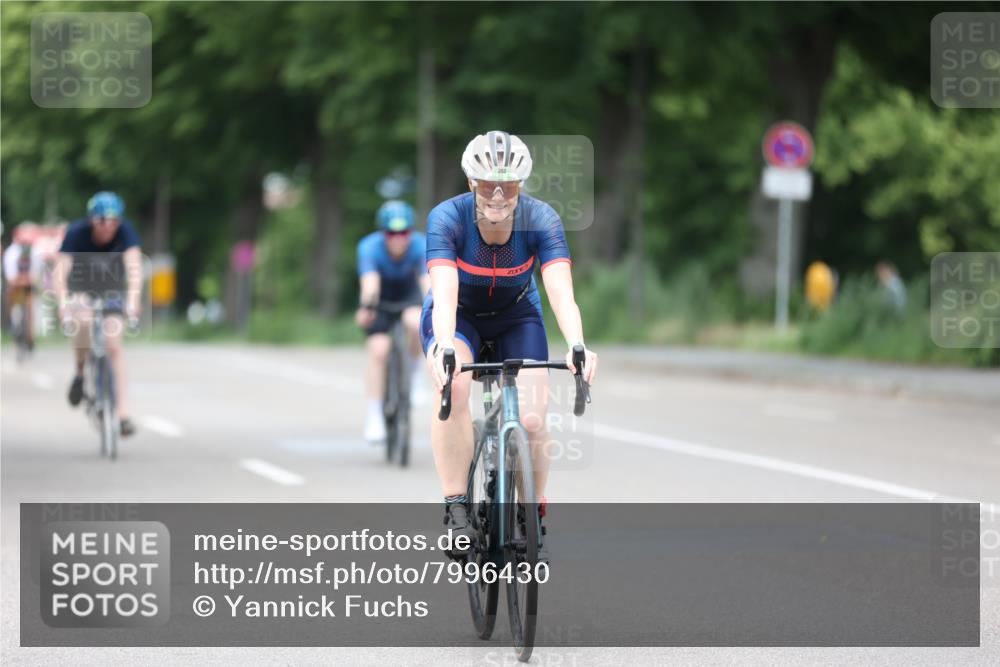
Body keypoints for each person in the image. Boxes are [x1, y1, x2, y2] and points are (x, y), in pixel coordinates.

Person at [421, 131, 598, 551]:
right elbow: (444, 291)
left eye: (509, 185)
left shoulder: (543, 219)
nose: (498, 195)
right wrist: (444, 345)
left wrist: (577, 344)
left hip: (517, 314)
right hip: (459, 316)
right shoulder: (447, 218)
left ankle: (530, 512)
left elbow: (560, 291)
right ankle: (457, 507)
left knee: (534, 421)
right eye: (487, 185)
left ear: (522, 185)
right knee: (456, 385)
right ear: (470, 184)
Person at [53, 192, 143, 437]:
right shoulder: (76, 233)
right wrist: (63, 303)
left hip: (112, 290)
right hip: (83, 289)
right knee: (82, 322)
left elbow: (134, 267)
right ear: (92, 220)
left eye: (114, 221)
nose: (109, 227)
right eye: (103, 221)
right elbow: (60, 272)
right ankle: (80, 374)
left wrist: (133, 300)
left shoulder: (126, 232)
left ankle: (123, 415)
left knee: (115, 345)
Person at [355, 200, 430, 442]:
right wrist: (367, 307)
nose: (398, 239)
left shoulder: (421, 245)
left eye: (404, 232)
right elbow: (370, 283)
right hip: (382, 298)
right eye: (392, 233)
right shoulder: (369, 247)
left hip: (409, 296)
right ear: (383, 233)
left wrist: (436, 305)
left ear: (411, 231)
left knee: (416, 321)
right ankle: (375, 415)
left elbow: (427, 282)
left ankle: (414, 374)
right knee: (379, 351)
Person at [3, 223, 44, 351]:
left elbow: (36, 275)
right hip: (16, 285)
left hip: (28, 284)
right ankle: (11, 324)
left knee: (31, 306)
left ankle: (30, 335)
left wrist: (30, 281)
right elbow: (10, 278)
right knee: (10, 300)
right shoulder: (11, 253)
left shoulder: (36, 252)